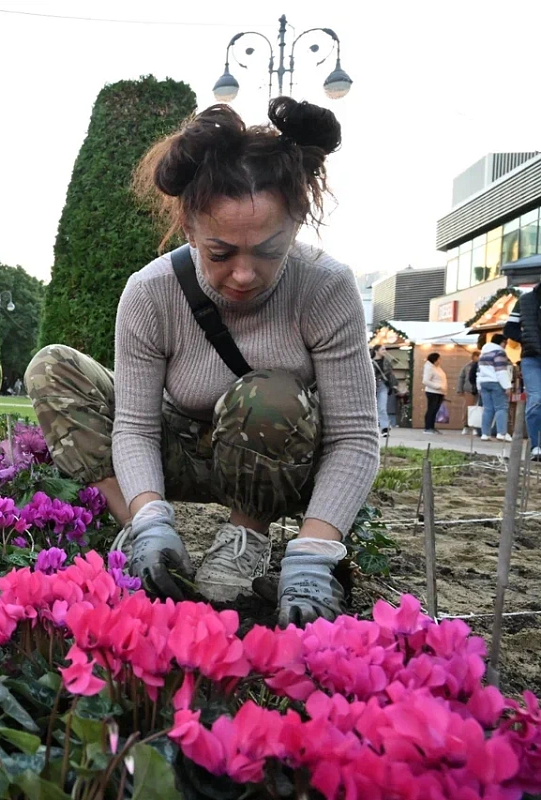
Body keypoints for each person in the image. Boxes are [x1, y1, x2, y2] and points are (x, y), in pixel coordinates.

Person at [26, 97, 376, 628]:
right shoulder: (150, 293)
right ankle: (145, 533)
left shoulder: (325, 287)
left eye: (267, 250)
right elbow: (137, 427)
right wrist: (149, 515)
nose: (243, 274)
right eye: (220, 253)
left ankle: (247, 537)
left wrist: (314, 552)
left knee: (270, 395)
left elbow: (354, 436)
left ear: (297, 224)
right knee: (53, 368)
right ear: (188, 228)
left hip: (284, 459)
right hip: (183, 449)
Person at [504, 290, 541, 458]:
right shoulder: (526, 300)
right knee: (537, 398)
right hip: (532, 357)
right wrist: (527, 338)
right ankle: (537, 446)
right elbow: (509, 328)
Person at [478, 333, 513, 442]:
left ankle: (485, 433)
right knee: (501, 408)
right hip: (496, 382)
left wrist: (479, 386)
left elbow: (478, 372)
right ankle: (501, 433)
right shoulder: (499, 352)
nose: (505, 346)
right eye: (505, 343)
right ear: (502, 342)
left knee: (487, 409)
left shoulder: (483, 353)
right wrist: (507, 386)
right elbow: (501, 370)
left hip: (484, 382)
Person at [371, 346, 397, 434]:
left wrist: (392, 386)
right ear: (376, 351)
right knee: (371, 407)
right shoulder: (369, 361)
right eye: (382, 349)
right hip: (372, 386)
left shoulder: (387, 361)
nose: (385, 351)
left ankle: (385, 428)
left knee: (382, 407)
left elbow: (391, 375)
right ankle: (371, 427)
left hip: (383, 385)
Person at [456, 350, 481, 436]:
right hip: (469, 389)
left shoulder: (482, 366)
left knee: (477, 408)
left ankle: (475, 426)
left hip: (479, 390)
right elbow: (461, 378)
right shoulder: (467, 366)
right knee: (468, 408)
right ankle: (466, 425)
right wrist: (459, 389)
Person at [421, 352, 447, 433]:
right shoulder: (429, 368)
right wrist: (438, 386)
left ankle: (432, 426)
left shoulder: (438, 368)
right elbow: (425, 381)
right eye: (439, 359)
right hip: (432, 392)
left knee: (435, 410)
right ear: (435, 360)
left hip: (440, 392)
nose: (440, 360)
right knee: (431, 409)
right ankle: (428, 427)